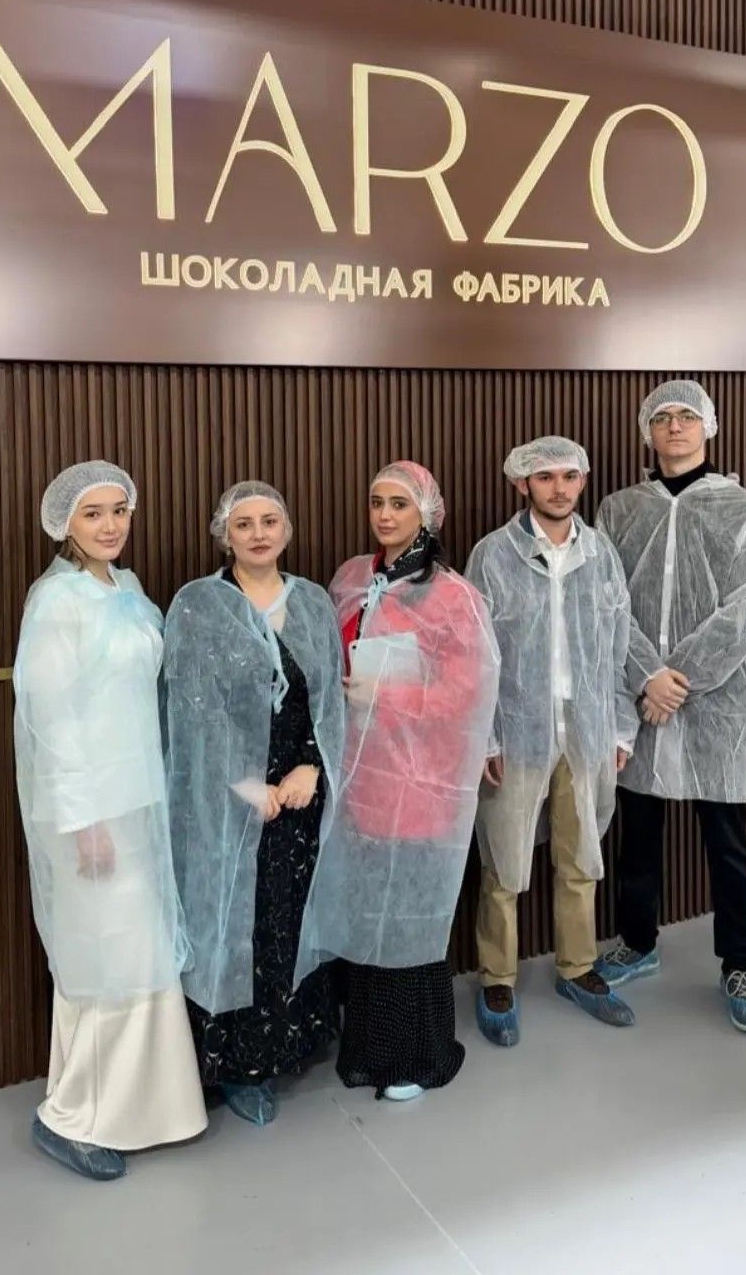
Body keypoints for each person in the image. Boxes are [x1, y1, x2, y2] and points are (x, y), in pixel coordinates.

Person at [13, 460, 206, 1181]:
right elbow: (51, 720)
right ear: (64, 523)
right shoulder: (56, 602)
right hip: (92, 811)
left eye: (119, 510)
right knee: (104, 957)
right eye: (93, 513)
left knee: (140, 951)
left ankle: (144, 1109)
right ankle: (73, 1116)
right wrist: (82, 821)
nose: (110, 525)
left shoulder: (125, 587)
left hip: (137, 800)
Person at [297, 462, 499, 1101]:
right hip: (359, 781)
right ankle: (367, 1047)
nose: (385, 515)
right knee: (367, 913)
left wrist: (389, 696)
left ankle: (416, 1054)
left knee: (408, 919)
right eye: (377, 502)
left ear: (427, 514)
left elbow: (467, 692)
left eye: (399, 505)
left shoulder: (452, 596)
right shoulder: (352, 578)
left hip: (418, 784)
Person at [594, 381, 746, 1034]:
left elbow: (745, 610)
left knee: (727, 843)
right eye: (663, 417)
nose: (675, 426)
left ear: (709, 427)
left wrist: (681, 679)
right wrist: (648, 676)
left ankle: (740, 964)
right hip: (641, 698)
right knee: (638, 834)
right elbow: (608, 599)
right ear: (647, 431)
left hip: (717, 706)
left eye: (687, 416)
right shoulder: (618, 510)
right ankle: (637, 941)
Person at [164, 481, 344, 1126]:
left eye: (270, 521)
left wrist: (312, 766)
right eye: (244, 524)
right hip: (229, 803)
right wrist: (245, 784)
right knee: (235, 926)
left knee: (290, 921)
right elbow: (192, 710)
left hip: (299, 795)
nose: (259, 534)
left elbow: (332, 697)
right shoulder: (199, 605)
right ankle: (239, 1067)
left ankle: (288, 1047)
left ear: (287, 530)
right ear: (225, 535)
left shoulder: (314, 602)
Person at [465, 437, 640, 1045]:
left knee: (580, 855)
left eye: (569, 476)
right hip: (517, 732)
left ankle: (577, 968)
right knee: (504, 861)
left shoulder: (601, 554)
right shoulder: (493, 555)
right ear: (523, 485)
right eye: (545, 478)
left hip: (586, 730)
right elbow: (476, 654)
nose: (559, 488)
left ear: (582, 481)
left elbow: (618, 645)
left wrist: (620, 725)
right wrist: (487, 736)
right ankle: (497, 978)